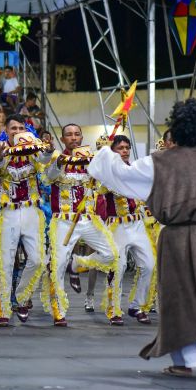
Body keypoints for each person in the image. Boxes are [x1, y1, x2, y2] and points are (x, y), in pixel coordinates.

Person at [88, 98, 196, 380]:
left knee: (180, 299)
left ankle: (184, 361)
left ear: (176, 128)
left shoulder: (159, 162)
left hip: (176, 237)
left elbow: (121, 178)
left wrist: (104, 153)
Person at [43, 123, 117, 320]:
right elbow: (48, 178)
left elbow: (104, 185)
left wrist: (104, 163)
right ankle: (58, 310)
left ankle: (78, 263)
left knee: (112, 255)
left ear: (82, 137)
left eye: (77, 134)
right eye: (69, 135)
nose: (73, 138)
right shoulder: (56, 157)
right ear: (63, 138)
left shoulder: (92, 159)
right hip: (64, 221)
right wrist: (59, 162)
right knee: (57, 265)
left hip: (89, 219)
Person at [0, 115, 55, 325]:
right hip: (7, 212)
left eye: (21, 128)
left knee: (37, 260)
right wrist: (0, 158)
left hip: (31, 211)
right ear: (6, 131)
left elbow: (44, 162)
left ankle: (20, 296)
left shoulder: (34, 147)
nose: (17, 131)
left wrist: (47, 151)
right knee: (6, 262)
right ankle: (3, 311)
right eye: (13, 128)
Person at [96, 135, 157, 325]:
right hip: (117, 225)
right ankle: (114, 309)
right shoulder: (106, 174)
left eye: (126, 147)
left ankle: (137, 305)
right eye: (120, 148)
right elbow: (99, 190)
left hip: (137, 223)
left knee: (149, 264)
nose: (124, 151)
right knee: (118, 267)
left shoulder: (134, 170)